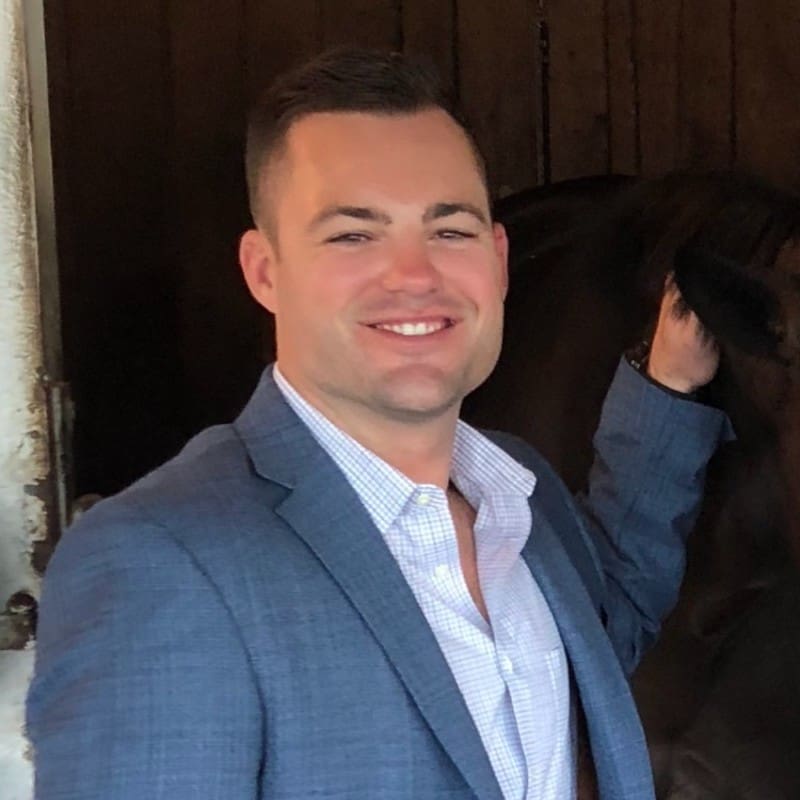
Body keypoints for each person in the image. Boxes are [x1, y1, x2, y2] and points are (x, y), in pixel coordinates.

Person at [27, 49, 727, 800]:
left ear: (496, 260)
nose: (414, 275)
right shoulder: (156, 563)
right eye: (354, 235)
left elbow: (608, 620)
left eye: (449, 231)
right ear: (265, 271)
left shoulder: (521, 501)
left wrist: (667, 385)